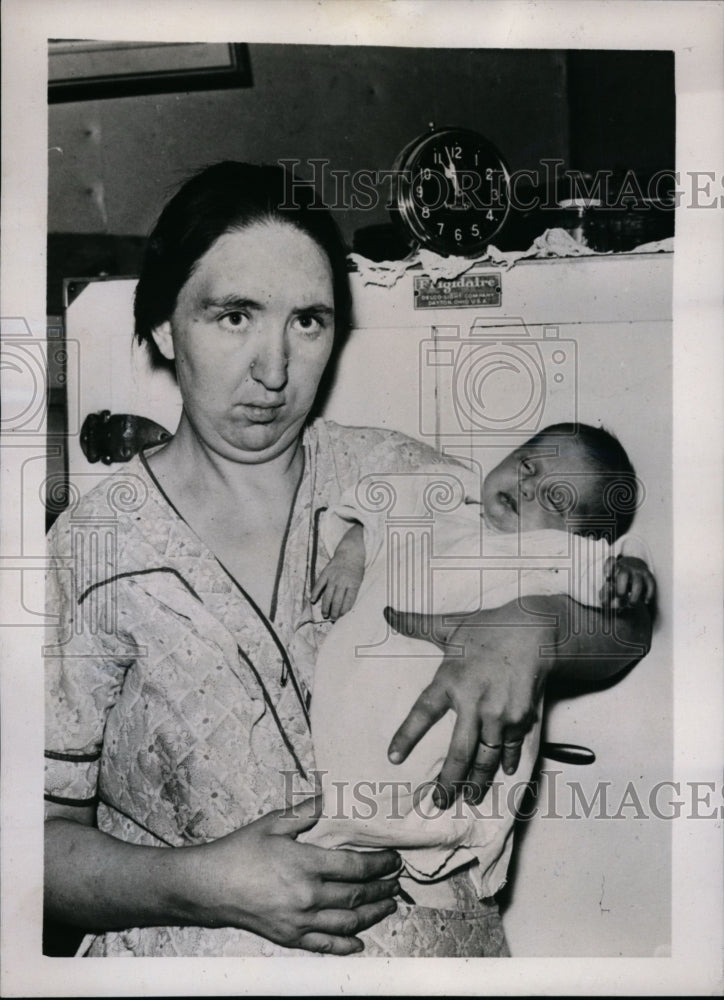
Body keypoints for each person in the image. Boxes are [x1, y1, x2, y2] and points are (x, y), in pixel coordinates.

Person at [44, 162, 653, 958]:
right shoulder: (95, 545)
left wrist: (539, 629)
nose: (274, 370)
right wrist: (201, 884)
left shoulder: (407, 477)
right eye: (234, 316)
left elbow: (628, 631)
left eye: (308, 321)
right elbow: (32, 843)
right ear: (164, 326)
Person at [305, 425, 654, 892]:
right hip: (360, 675)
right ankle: (342, 828)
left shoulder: (555, 552)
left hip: (448, 694)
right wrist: (350, 556)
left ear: (580, 534)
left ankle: (403, 837)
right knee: (346, 748)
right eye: (528, 466)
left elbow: (612, 573)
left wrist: (629, 571)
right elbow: (376, 520)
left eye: (555, 499)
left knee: (421, 771)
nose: (527, 487)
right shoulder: (441, 505)